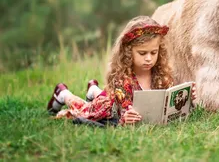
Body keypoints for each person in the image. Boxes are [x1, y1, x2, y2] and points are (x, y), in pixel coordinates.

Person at [47, 16, 195, 125]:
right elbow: (120, 113)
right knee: (84, 109)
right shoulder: (122, 80)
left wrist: (188, 99)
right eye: (142, 53)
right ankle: (63, 93)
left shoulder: (161, 75)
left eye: (154, 52)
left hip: (113, 97)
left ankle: (93, 89)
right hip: (110, 106)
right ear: (129, 52)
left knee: (103, 96)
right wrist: (125, 118)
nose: (149, 58)